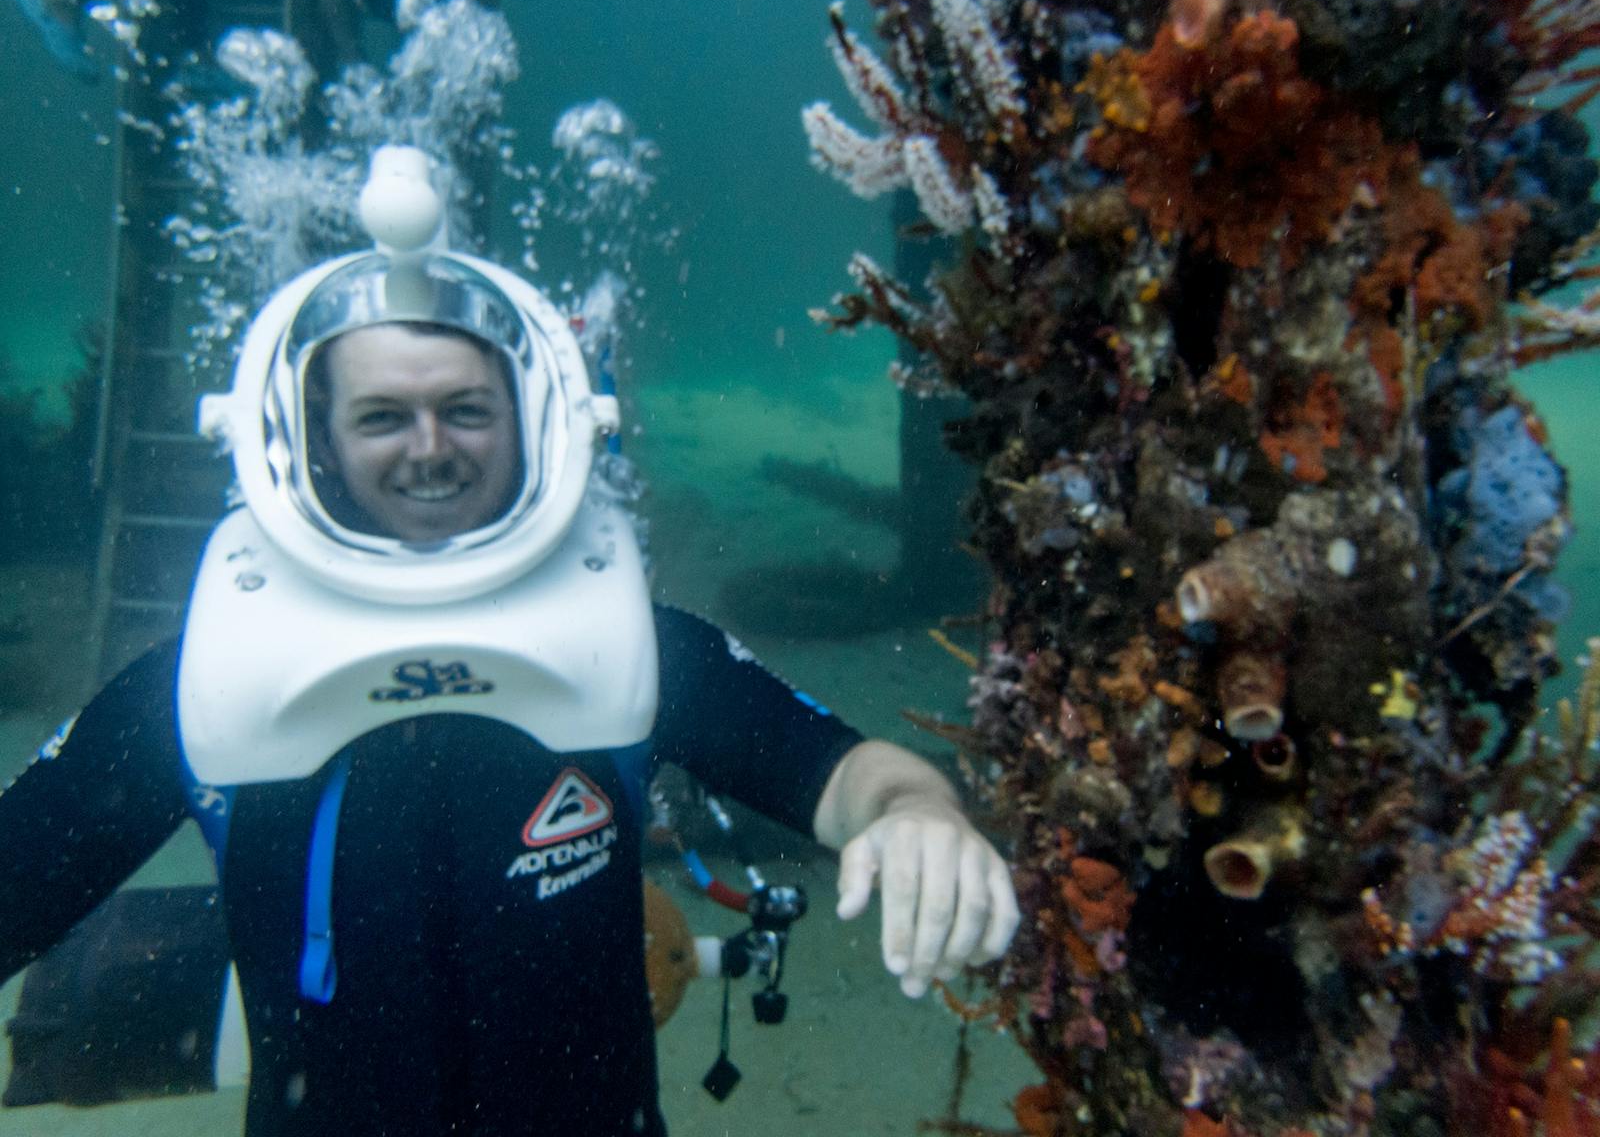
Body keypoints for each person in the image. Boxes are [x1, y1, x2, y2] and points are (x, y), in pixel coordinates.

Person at [0, 146, 1018, 1136]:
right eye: (383, 416)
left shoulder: (626, 645)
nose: (431, 447)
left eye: (466, 409)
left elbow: (846, 775)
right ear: (316, 440)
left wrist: (919, 812)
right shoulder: (206, 681)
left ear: (536, 422)